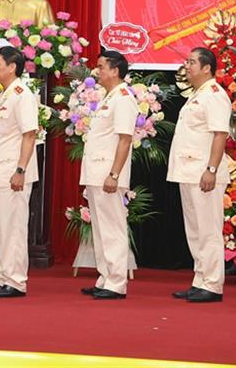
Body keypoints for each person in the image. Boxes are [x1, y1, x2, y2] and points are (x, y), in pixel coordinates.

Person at [167, 47, 231, 303]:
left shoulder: (214, 95)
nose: (187, 66)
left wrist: (211, 170)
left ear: (207, 68)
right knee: (195, 230)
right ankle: (200, 279)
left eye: (192, 62)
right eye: (187, 61)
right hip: (189, 171)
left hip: (204, 173)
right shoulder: (197, 95)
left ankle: (213, 284)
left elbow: (220, 134)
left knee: (209, 230)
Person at [0, 46, 39, 298]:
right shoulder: (5, 95)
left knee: (13, 228)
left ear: (12, 67)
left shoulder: (21, 93)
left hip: (14, 172)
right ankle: (2, 277)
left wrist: (21, 169)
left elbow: (30, 133)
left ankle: (16, 281)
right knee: (1, 227)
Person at [79, 51, 139, 300]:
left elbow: (125, 139)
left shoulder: (124, 98)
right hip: (96, 173)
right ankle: (105, 277)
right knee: (101, 230)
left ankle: (116, 282)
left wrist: (114, 174)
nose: (97, 71)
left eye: (102, 67)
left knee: (112, 228)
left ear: (116, 70)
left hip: (108, 174)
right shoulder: (108, 98)